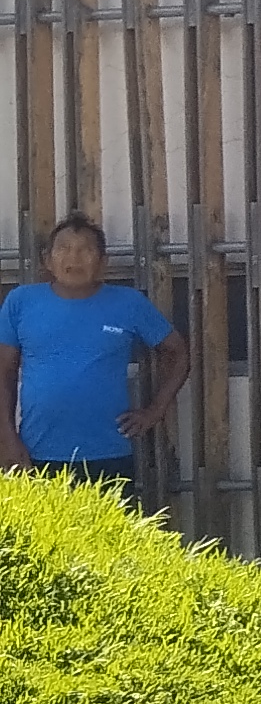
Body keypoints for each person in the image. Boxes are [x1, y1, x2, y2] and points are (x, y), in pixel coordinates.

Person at [0, 214, 189, 510]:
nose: (74, 258)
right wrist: (7, 439)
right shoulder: (21, 302)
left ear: (103, 262)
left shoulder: (128, 303)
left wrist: (154, 411)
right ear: (47, 260)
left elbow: (177, 353)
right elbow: (4, 372)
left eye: (85, 249)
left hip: (109, 453)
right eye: (63, 248)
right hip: (38, 452)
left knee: (110, 537)